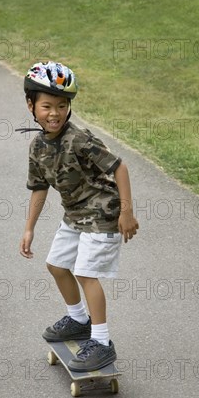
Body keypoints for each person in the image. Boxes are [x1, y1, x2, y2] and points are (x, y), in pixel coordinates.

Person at [19, 61, 139, 371]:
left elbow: (119, 167)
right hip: (75, 215)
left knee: (85, 272)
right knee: (56, 265)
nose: (55, 113)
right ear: (31, 105)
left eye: (62, 105)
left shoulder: (80, 139)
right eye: (47, 106)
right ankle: (78, 319)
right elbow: (38, 188)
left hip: (103, 213)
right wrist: (29, 229)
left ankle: (101, 342)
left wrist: (126, 212)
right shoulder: (38, 147)